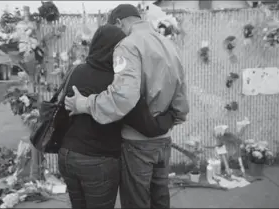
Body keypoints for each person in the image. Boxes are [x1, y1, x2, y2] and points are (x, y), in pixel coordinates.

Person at [65, 4, 189, 208]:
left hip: (137, 143)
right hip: (163, 140)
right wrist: (172, 121)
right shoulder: (167, 43)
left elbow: (124, 96)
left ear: (118, 23)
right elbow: (181, 91)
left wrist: (84, 104)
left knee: (136, 202)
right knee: (160, 199)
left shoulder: (128, 45)